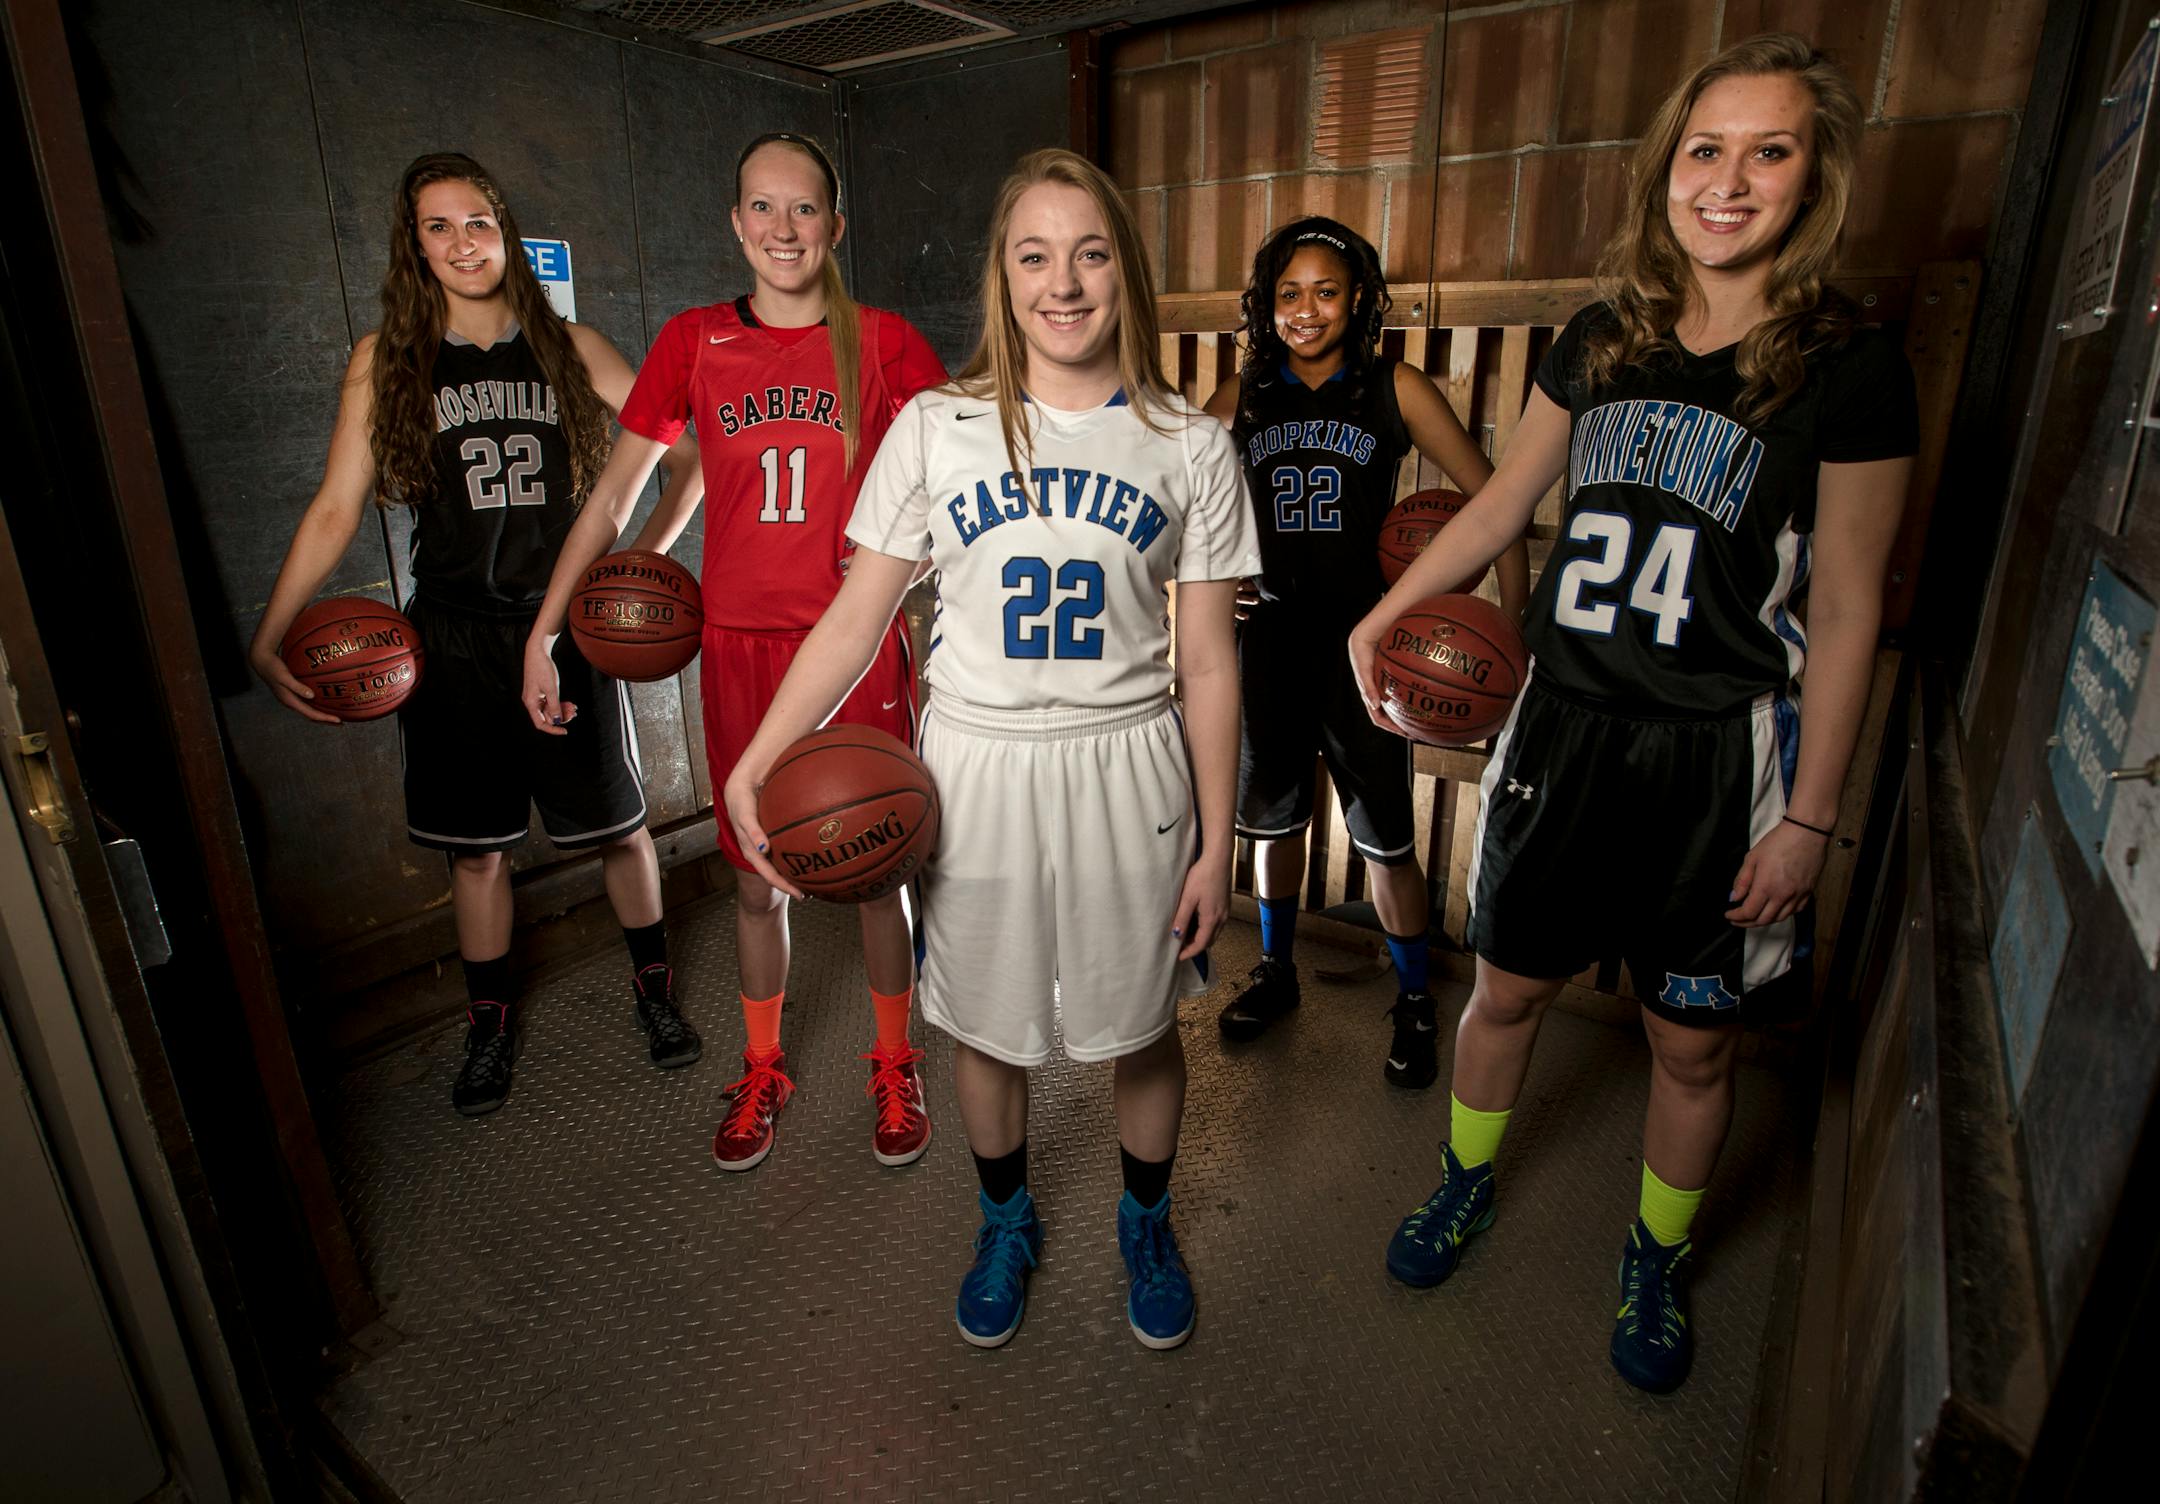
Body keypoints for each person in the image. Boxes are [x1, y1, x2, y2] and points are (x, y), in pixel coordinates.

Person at [1347, 34, 1915, 1393]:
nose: (1729, 180)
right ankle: (1466, 1182)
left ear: (1814, 175)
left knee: (1692, 1036)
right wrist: (1388, 607)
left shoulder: (1851, 366)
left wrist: (1813, 817)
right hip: (1568, 729)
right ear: (1668, 167)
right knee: (1509, 989)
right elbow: (1499, 504)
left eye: (1769, 150)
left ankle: (1655, 1256)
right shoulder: (1601, 339)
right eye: (1705, 149)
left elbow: (1843, 610)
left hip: (1724, 756)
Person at [721, 148, 1259, 1350]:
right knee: (986, 1026)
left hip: (1131, 758)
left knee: (1142, 1024)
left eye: (1090, 252)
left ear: (1128, 269)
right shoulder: (935, 426)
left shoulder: (1190, 445)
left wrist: (1221, 842)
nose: (1063, 283)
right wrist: (760, 756)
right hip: (973, 767)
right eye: (1034, 255)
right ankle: (1005, 1218)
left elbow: (1212, 663)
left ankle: (1146, 1218)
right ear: (1001, 278)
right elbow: (857, 618)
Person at [521, 132, 948, 1172]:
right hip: (738, 652)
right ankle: (764, 1066)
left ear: (835, 227)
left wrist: (918, 577)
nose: (784, 229)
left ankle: (894, 1061)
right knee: (757, 880)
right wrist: (550, 627)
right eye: (763, 208)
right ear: (736, 223)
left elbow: (956, 488)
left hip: (852, 647)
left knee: (876, 865)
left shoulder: (887, 342)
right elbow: (621, 495)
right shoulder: (695, 341)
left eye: (804, 210)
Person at [251, 152, 705, 1117]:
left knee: (620, 831)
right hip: (452, 635)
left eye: (478, 224)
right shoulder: (387, 360)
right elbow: (338, 505)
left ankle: (653, 990)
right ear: (412, 246)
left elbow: (687, 452)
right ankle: (489, 1024)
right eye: (439, 227)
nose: (463, 243)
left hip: (563, 629)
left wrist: (630, 570)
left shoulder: (574, 346)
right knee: (477, 853)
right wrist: (275, 628)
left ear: (506, 234)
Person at [1203, 215, 1527, 1087]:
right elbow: (1183, 503)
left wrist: (1517, 629)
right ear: (1266, 308)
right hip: (1268, 634)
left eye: (1326, 292)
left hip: (1365, 640)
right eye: (1287, 294)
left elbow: (1496, 504)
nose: (1306, 310)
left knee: (1384, 837)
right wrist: (1214, 574)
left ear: (1359, 301)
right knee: (1272, 825)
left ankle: (1415, 998)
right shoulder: (1243, 394)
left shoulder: (1396, 386)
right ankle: (1276, 972)